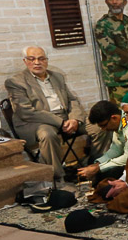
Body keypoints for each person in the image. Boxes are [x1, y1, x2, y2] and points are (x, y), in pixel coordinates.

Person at [5, 46, 88, 181]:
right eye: (32, 59)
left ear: (47, 60)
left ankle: (96, 165)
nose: (37, 62)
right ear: (25, 61)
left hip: (64, 117)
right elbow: (25, 112)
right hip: (37, 121)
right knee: (47, 134)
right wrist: (60, 123)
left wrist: (75, 120)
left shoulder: (57, 76)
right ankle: (57, 179)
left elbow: (72, 100)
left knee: (96, 125)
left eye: (41, 58)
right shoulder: (15, 82)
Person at [78, 100, 128, 184]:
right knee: (94, 160)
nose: (103, 129)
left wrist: (99, 168)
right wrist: (98, 164)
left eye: (104, 125)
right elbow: (116, 149)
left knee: (110, 172)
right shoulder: (119, 123)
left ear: (114, 118)